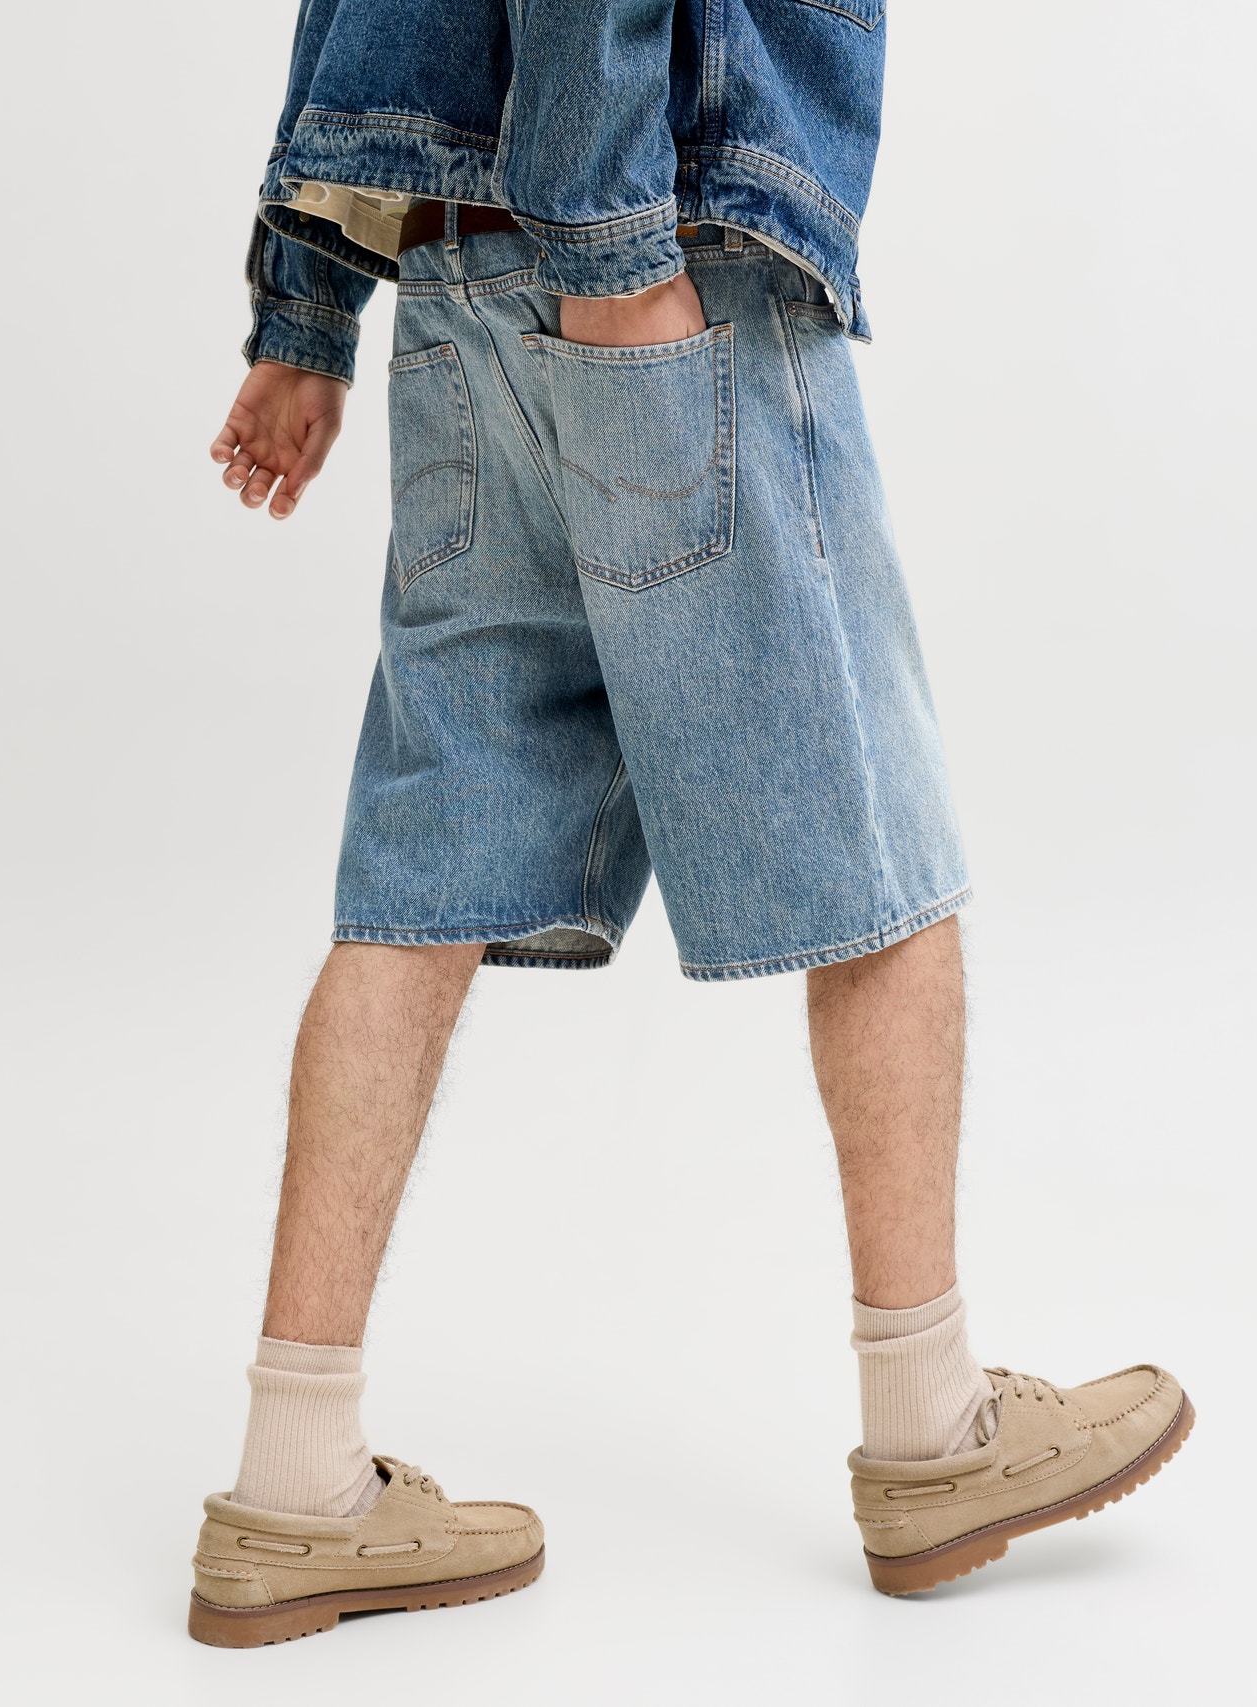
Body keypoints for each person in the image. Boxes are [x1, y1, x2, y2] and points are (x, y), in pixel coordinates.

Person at [190, 1, 1191, 1647]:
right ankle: (934, 1432)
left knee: (421, 878)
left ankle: (290, 1484)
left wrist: (304, 316)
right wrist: (612, 257)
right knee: (870, 849)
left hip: (453, 287)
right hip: (656, 270)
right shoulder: (626, 253)